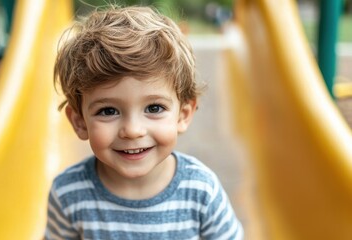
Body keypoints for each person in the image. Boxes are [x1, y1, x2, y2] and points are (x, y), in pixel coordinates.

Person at [45, 5, 243, 240]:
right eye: (108, 111)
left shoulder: (201, 190)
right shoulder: (68, 193)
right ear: (79, 122)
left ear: (183, 114)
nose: (132, 130)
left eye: (154, 108)